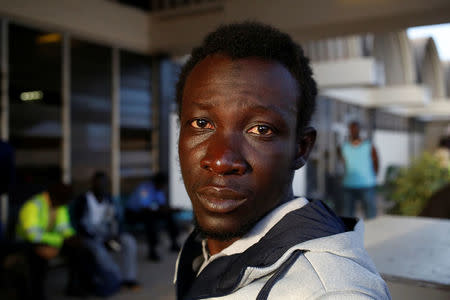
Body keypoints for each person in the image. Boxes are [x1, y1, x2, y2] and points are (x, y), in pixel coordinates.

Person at [173, 22, 390, 299]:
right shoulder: (200, 250)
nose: (221, 160)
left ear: (300, 149)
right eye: (201, 123)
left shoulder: (333, 291)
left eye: (261, 130)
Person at [15, 182, 93, 300]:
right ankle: (37, 294)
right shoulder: (33, 205)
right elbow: (32, 235)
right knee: (38, 258)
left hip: (50, 241)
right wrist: (61, 240)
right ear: (53, 196)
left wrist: (71, 236)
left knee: (79, 249)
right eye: (64, 201)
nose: (65, 205)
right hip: (25, 244)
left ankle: (74, 286)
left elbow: (63, 227)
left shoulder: (59, 205)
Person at [72, 171, 140, 293]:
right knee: (99, 251)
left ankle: (129, 278)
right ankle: (115, 278)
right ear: (92, 184)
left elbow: (116, 220)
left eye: (104, 183)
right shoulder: (84, 199)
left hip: (108, 235)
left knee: (128, 241)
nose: (101, 186)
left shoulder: (109, 199)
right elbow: (79, 224)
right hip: (90, 236)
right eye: (98, 183)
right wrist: (96, 237)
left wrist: (115, 235)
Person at [125, 172, 180, 261]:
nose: (164, 187)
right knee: (149, 218)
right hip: (132, 214)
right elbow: (145, 207)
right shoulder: (144, 188)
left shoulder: (159, 190)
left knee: (168, 215)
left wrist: (170, 209)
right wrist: (162, 209)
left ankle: (174, 243)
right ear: (157, 182)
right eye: (163, 184)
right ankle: (152, 250)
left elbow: (161, 205)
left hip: (149, 213)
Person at [338, 121, 379, 219]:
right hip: (349, 185)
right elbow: (343, 164)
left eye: (355, 129)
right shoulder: (343, 147)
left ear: (359, 130)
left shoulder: (368, 145)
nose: (353, 131)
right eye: (351, 129)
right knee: (347, 215)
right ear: (349, 130)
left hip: (367, 185)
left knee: (370, 215)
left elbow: (376, 161)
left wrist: (373, 176)